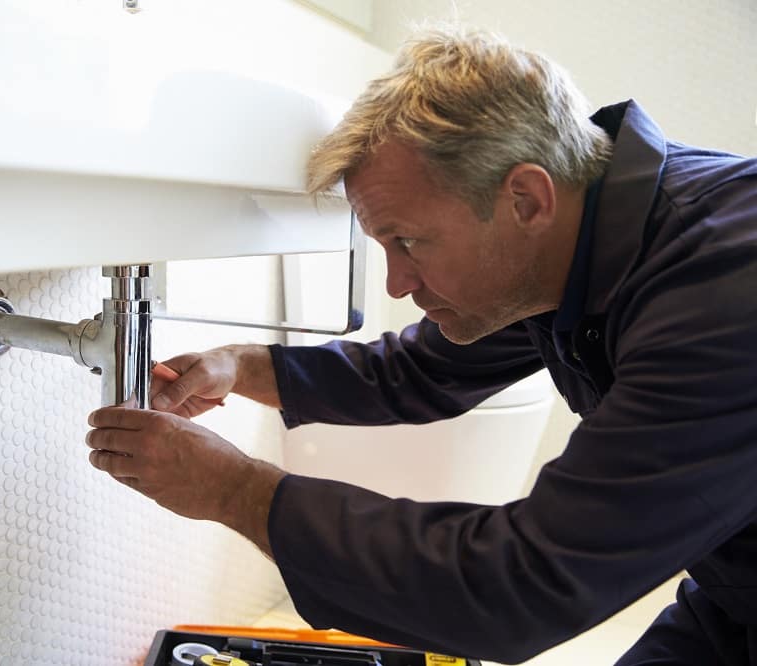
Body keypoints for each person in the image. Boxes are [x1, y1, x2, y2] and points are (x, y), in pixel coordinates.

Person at [85, 26, 757, 665]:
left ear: (526, 198)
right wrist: (239, 366)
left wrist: (233, 490)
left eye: (408, 241)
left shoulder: (725, 293)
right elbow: (418, 371)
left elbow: (520, 585)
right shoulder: (579, 237)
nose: (398, 283)